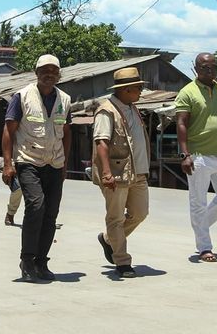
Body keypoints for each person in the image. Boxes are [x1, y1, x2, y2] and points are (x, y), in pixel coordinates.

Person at [1, 54, 72, 282]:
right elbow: (9, 130)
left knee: (51, 213)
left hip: (55, 163)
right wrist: (7, 164)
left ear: (59, 74)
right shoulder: (21, 97)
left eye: (54, 71)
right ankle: (27, 259)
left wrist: (65, 164)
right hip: (28, 160)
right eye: (45, 70)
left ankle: (42, 261)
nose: (49, 74)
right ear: (36, 73)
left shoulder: (65, 99)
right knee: (36, 205)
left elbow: (67, 133)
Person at [175, 52, 217, 263]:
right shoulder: (187, 92)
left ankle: (200, 225)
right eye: (205, 67)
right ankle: (204, 247)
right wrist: (185, 154)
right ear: (196, 68)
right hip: (199, 156)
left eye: (214, 67)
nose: (210, 71)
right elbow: (181, 123)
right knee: (198, 201)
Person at [92, 67, 150, 278]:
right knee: (115, 218)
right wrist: (106, 173)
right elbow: (101, 143)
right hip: (117, 173)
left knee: (140, 213)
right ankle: (122, 262)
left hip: (138, 172)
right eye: (138, 88)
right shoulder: (107, 111)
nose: (141, 91)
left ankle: (109, 240)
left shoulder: (132, 107)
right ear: (125, 89)